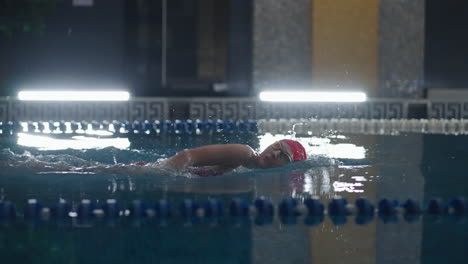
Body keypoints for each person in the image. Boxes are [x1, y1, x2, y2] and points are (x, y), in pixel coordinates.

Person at [151, 139, 307, 176]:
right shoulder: (243, 153)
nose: (274, 153)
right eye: (277, 146)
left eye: (283, 155)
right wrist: (161, 173)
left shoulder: (247, 164)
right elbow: (188, 156)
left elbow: (204, 171)